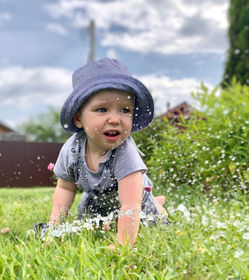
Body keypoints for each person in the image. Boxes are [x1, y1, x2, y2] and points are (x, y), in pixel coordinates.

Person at [48, 58, 169, 248]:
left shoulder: (125, 152)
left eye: (125, 110)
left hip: (136, 199)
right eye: (102, 109)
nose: (115, 119)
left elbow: (130, 206)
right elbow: (65, 188)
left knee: (151, 218)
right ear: (79, 118)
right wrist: (53, 227)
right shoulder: (72, 149)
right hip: (97, 199)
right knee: (89, 221)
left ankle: (157, 205)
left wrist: (123, 246)